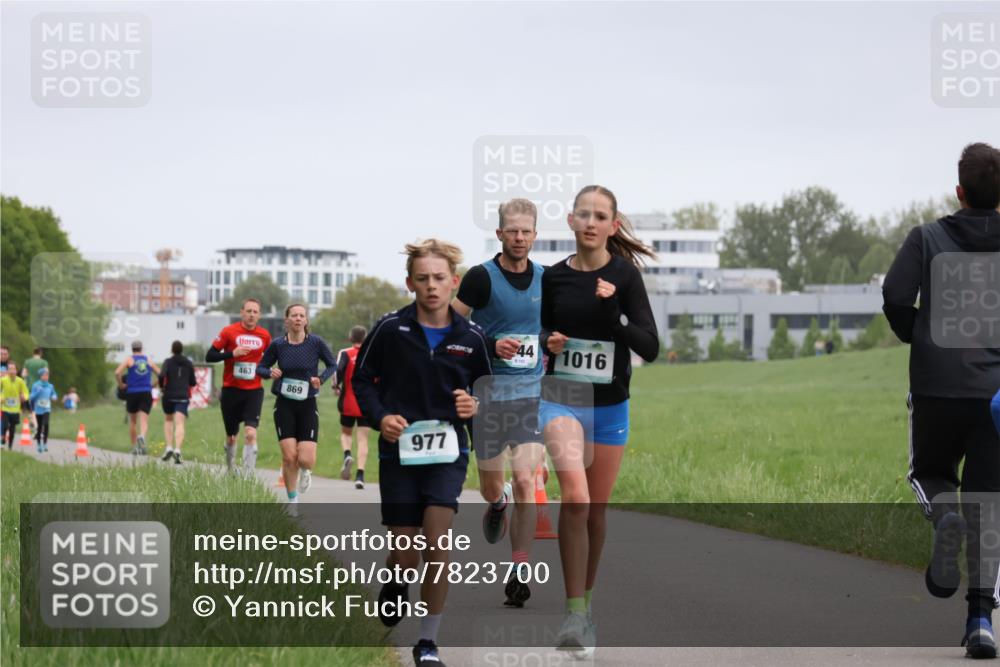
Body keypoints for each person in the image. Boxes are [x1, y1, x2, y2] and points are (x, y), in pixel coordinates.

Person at [883, 142, 1000, 660]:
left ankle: (944, 518)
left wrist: (922, 335)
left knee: (929, 474)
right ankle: (980, 623)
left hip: (935, 387)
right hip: (995, 396)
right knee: (990, 506)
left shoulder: (927, 237)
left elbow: (893, 295)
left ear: (959, 190)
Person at [353, 239, 492, 667]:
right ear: (410, 282)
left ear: (454, 282)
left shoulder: (471, 338)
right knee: (408, 554)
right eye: (422, 278)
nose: (431, 286)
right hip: (399, 454)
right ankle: (396, 580)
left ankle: (428, 642)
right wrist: (382, 418)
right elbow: (362, 382)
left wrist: (475, 407)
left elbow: (485, 393)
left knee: (438, 546)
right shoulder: (390, 329)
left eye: (439, 278)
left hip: (447, 454)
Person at [540, 186, 659, 657]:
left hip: (610, 406)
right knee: (575, 496)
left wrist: (613, 314)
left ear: (613, 225)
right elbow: (540, 329)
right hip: (560, 399)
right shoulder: (552, 278)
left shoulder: (624, 277)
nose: (591, 222)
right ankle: (572, 612)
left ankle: (585, 612)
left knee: (595, 512)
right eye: (583, 214)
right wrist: (549, 338)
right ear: (571, 221)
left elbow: (648, 345)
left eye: (601, 216)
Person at [452, 197, 547, 608]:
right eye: (513, 231)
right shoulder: (480, 278)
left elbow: (558, 326)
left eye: (527, 231)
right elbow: (450, 326)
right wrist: (490, 343)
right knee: (494, 485)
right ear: (499, 234)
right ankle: (497, 502)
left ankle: (520, 569)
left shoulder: (548, 278)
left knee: (528, 479)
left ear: (536, 234)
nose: (520, 237)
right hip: (487, 396)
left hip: (531, 396)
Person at [257, 303, 336, 505]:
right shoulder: (278, 345)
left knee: (305, 460)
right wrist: (269, 372)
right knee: (289, 457)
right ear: (287, 320)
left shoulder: (316, 343)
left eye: (302, 315)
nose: (298, 319)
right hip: (284, 404)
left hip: (307, 403)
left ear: (306, 320)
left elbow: (332, 364)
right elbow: (261, 367)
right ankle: (293, 501)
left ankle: (306, 471)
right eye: (294, 315)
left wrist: (321, 378)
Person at [206, 298, 272, 475]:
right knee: (232, 435)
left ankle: (248, 475)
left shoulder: (265, 335)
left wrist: (268, 372)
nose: (251, 315)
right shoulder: (229, 331)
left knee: (250, 433)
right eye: (248, 311)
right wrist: (231, 354)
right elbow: (209, 356)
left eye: (255, 312)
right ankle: (230, 469)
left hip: (254, 391)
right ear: (242, 312)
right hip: (231, 390)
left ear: (259, 315)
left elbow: (270, 360)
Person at [334, 325, 370, 489]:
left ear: (351, 337)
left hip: (348, 401)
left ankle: (347, 455)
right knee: (363, 439)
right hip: (366, 403)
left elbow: (337, 372)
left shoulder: (345, 353)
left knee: (346, 433)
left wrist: (336, 387)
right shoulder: (372, 352)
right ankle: (360, 475)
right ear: (365, 338)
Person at [114, 341, 160, 455]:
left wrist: (121, 385)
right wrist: (154, 384)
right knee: (144, 420)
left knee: (133, 421)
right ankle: (142, 437)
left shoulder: (129, 359)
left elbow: (117, 372)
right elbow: (162, 374)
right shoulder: (148, 360)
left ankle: (135, 447)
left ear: (132, 349)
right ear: (141, 349)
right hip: (146, 391)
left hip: (132, 392)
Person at [159, 340, 197, 464]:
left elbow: (161, 375)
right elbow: (193, 382)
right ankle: (178, 450)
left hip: (169, 395)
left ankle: (169, 446)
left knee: (168, 420)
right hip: (182, 395)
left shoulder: (168, 362)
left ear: (172, 350)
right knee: (180, 423)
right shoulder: (188, 363)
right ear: (182, 350)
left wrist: (162, 387)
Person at [29, 368, 57, 453]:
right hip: (38, 409)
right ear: (40, 376)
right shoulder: (36, 385)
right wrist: (37, 392)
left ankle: (45, 444)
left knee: (46, 424)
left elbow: (54, 394)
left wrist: (54, 396)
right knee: (40, 426)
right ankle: (39, 445)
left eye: (47, 375)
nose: (46, 376)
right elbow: (31, 397)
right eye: (44, 375)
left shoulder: (50, 386)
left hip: (47, 408)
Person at [1, 363, 29, 449]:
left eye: (13, 369)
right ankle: (3, 437)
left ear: (16, 371)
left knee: (12, 428)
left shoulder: (20, 381)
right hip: (5, 407)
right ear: (7, 371)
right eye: (9, 369)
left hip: (16, 409)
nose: (11, 371)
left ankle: (10, 446)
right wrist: (1, 397)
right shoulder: (3, 380)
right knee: (5, 425)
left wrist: (24, 397)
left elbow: (26, 392)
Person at [21, 348, 48, 433]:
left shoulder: (27, 362)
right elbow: (46, 374)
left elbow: (23, 374)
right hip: (41, 387)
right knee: (39, 407)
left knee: (31, 408)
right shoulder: (44, 362)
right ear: (41, 353)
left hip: (29, 387)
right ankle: (36, 426)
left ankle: (34, 424)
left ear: (33, 353)